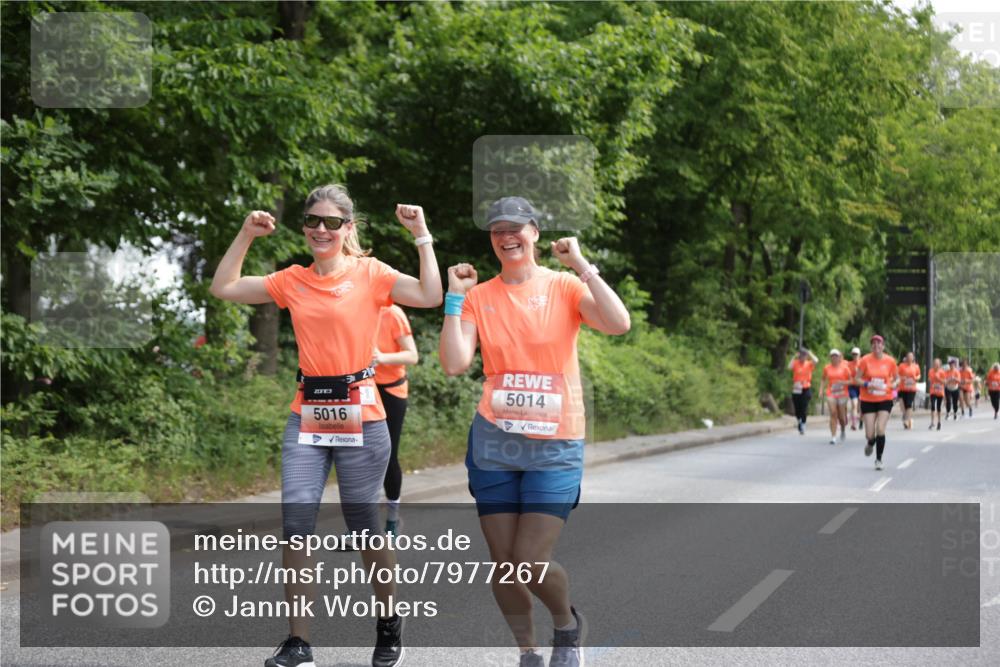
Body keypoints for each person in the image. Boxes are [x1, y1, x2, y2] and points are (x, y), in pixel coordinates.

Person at [209, 185, 442, 667]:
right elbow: (224, 287)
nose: (320, 229)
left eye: (332, 222)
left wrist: (421, 234)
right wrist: (246, 234)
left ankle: (389, 621)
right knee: (295, 526)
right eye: (312, 221)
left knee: (363, 528)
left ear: (348, 228)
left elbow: (429, 294)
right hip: (307, 413)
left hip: (363, 414)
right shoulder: (292, 280)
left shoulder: (371, 274)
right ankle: (299, 642)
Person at [439, 196, 631, 667]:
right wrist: (453, 296)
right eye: (496, 230)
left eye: (516, 228)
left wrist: (581, 263)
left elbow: (619, 323)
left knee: (530, 559)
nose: (507, 236)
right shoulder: (479, 296)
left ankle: (566, 626)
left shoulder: (564, 286)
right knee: (504, 566)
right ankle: (527, 652)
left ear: (535, 233)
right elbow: (454, 363)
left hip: (556, 443)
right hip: (495, 443)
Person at [374, 305, 418, 535]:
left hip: (391, 391)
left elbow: (412, 355)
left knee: (387, 455)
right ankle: (359, 524)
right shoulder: (353, 307)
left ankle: (393, 518)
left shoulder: (392, 313)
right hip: (361, 390)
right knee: (356, 457)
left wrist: (382, 357)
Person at [855, 334, 898, 471]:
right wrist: (868, 384)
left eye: (879, 343)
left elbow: (898, 379)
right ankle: (870, 442)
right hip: (868, 399)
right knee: (869, 433)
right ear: (871, 346)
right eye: (873, 343)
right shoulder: (865, 360)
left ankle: (878, 459)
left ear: (883, 346)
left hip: (885, 398)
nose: (876, 346)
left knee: (880, 428)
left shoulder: (890, 361)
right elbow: (857, 379)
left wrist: (892, 386)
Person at [820, 349, 851, 444]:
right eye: (832, 356)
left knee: (841, 417)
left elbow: (851, 381)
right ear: (830, 357)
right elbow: (823, 379)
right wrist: (821, 390)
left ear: (839, 358)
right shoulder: (827, 368)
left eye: (836, 356)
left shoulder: (845, 368)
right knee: (833, 413)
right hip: (831, 393)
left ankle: (842, 429)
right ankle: (833, 437)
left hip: (842, 394)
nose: (834, 358)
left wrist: (843, 382)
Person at [788, 347, 819, 435]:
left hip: (806, 387)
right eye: (801, 355)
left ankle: (803, 424)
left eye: (804, 355)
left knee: (804, 407)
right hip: (797, 388)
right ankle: (799, 421)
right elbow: (789, 367)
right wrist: (794, 357)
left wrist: (810, 354)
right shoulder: (795, 363)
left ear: (806, 356)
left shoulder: (809, 364)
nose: (802, 357)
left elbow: (816, 360)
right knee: (797, 407)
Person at [897, 351, 921, 429]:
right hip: (902, 388)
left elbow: (918, 375)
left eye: (911, 356)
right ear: (906, 358)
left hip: (911, 388)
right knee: (902, 405)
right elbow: (897, 375)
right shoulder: (901, 366)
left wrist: (916, 378)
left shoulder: (916, 366)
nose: (910, 358)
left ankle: (906, 420)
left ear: (913, 358)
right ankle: (908, 417)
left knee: (909, 404)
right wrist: (902, 378)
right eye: (908, 356)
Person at [847, 347, 862, 430]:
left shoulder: (862, 363)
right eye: (853, 354)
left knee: (861, 406)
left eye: (856, 354)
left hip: (861, 387)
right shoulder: (849, 364)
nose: (855, 356)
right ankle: (854, 424)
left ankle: (861, 421)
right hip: (852, 386)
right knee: (854, 404)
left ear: (859, 355)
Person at [928, 358, 945, 431]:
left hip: (940, 392)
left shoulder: (942, 372)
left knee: (938, 408)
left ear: (940, 365)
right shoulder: (931, 371)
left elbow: (945, 382)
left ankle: (939, 422)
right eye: (935, 364)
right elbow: (929, 379)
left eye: (937, 364)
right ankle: (932, 422)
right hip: (933, 391)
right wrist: (931, 380)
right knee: (932, 406)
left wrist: (938, 379)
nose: (936, 365)